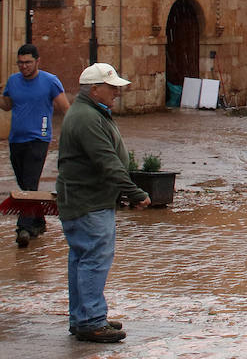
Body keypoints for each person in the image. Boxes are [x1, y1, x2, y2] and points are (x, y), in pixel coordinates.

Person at [56, 63, 149, 344]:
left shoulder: (89, 112)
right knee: (94, 260)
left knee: (82, 260)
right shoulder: (87, 117)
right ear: (94, 89)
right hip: (88, 202)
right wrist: (134, 192)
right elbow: (106, 161)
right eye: (112, 88)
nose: (117, 93)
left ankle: (83, 316)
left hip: (86, 200)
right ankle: (91, 321)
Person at [2, 43, 69, 247]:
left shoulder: (50, 82)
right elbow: (7, 105)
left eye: (28, 62)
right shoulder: (13, 81)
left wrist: (72, 134)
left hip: (39, 139)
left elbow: (66, 109)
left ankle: (24, 228)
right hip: (16, 140)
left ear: (37, 61)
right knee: (26, 185)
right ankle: (39, 221)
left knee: (29, 184)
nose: (24, 67)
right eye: (20, 63)